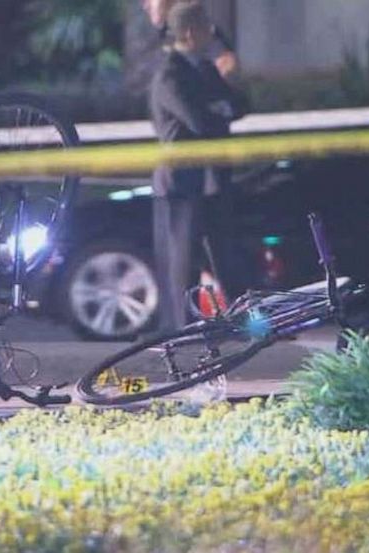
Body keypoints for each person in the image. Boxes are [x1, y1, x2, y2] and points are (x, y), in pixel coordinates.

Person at [149, 1, 250, 331]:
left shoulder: (205, 69)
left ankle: (244, 325)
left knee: (227, 257)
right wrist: (219, 108)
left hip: (213, 181)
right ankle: (179, 332)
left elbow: (240, 106)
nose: (213, 34)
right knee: (181, 266)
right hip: (182, 183)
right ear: (191, 33)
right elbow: (199, 120)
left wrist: (227, 93)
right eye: (209, 28)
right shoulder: (170, 74)